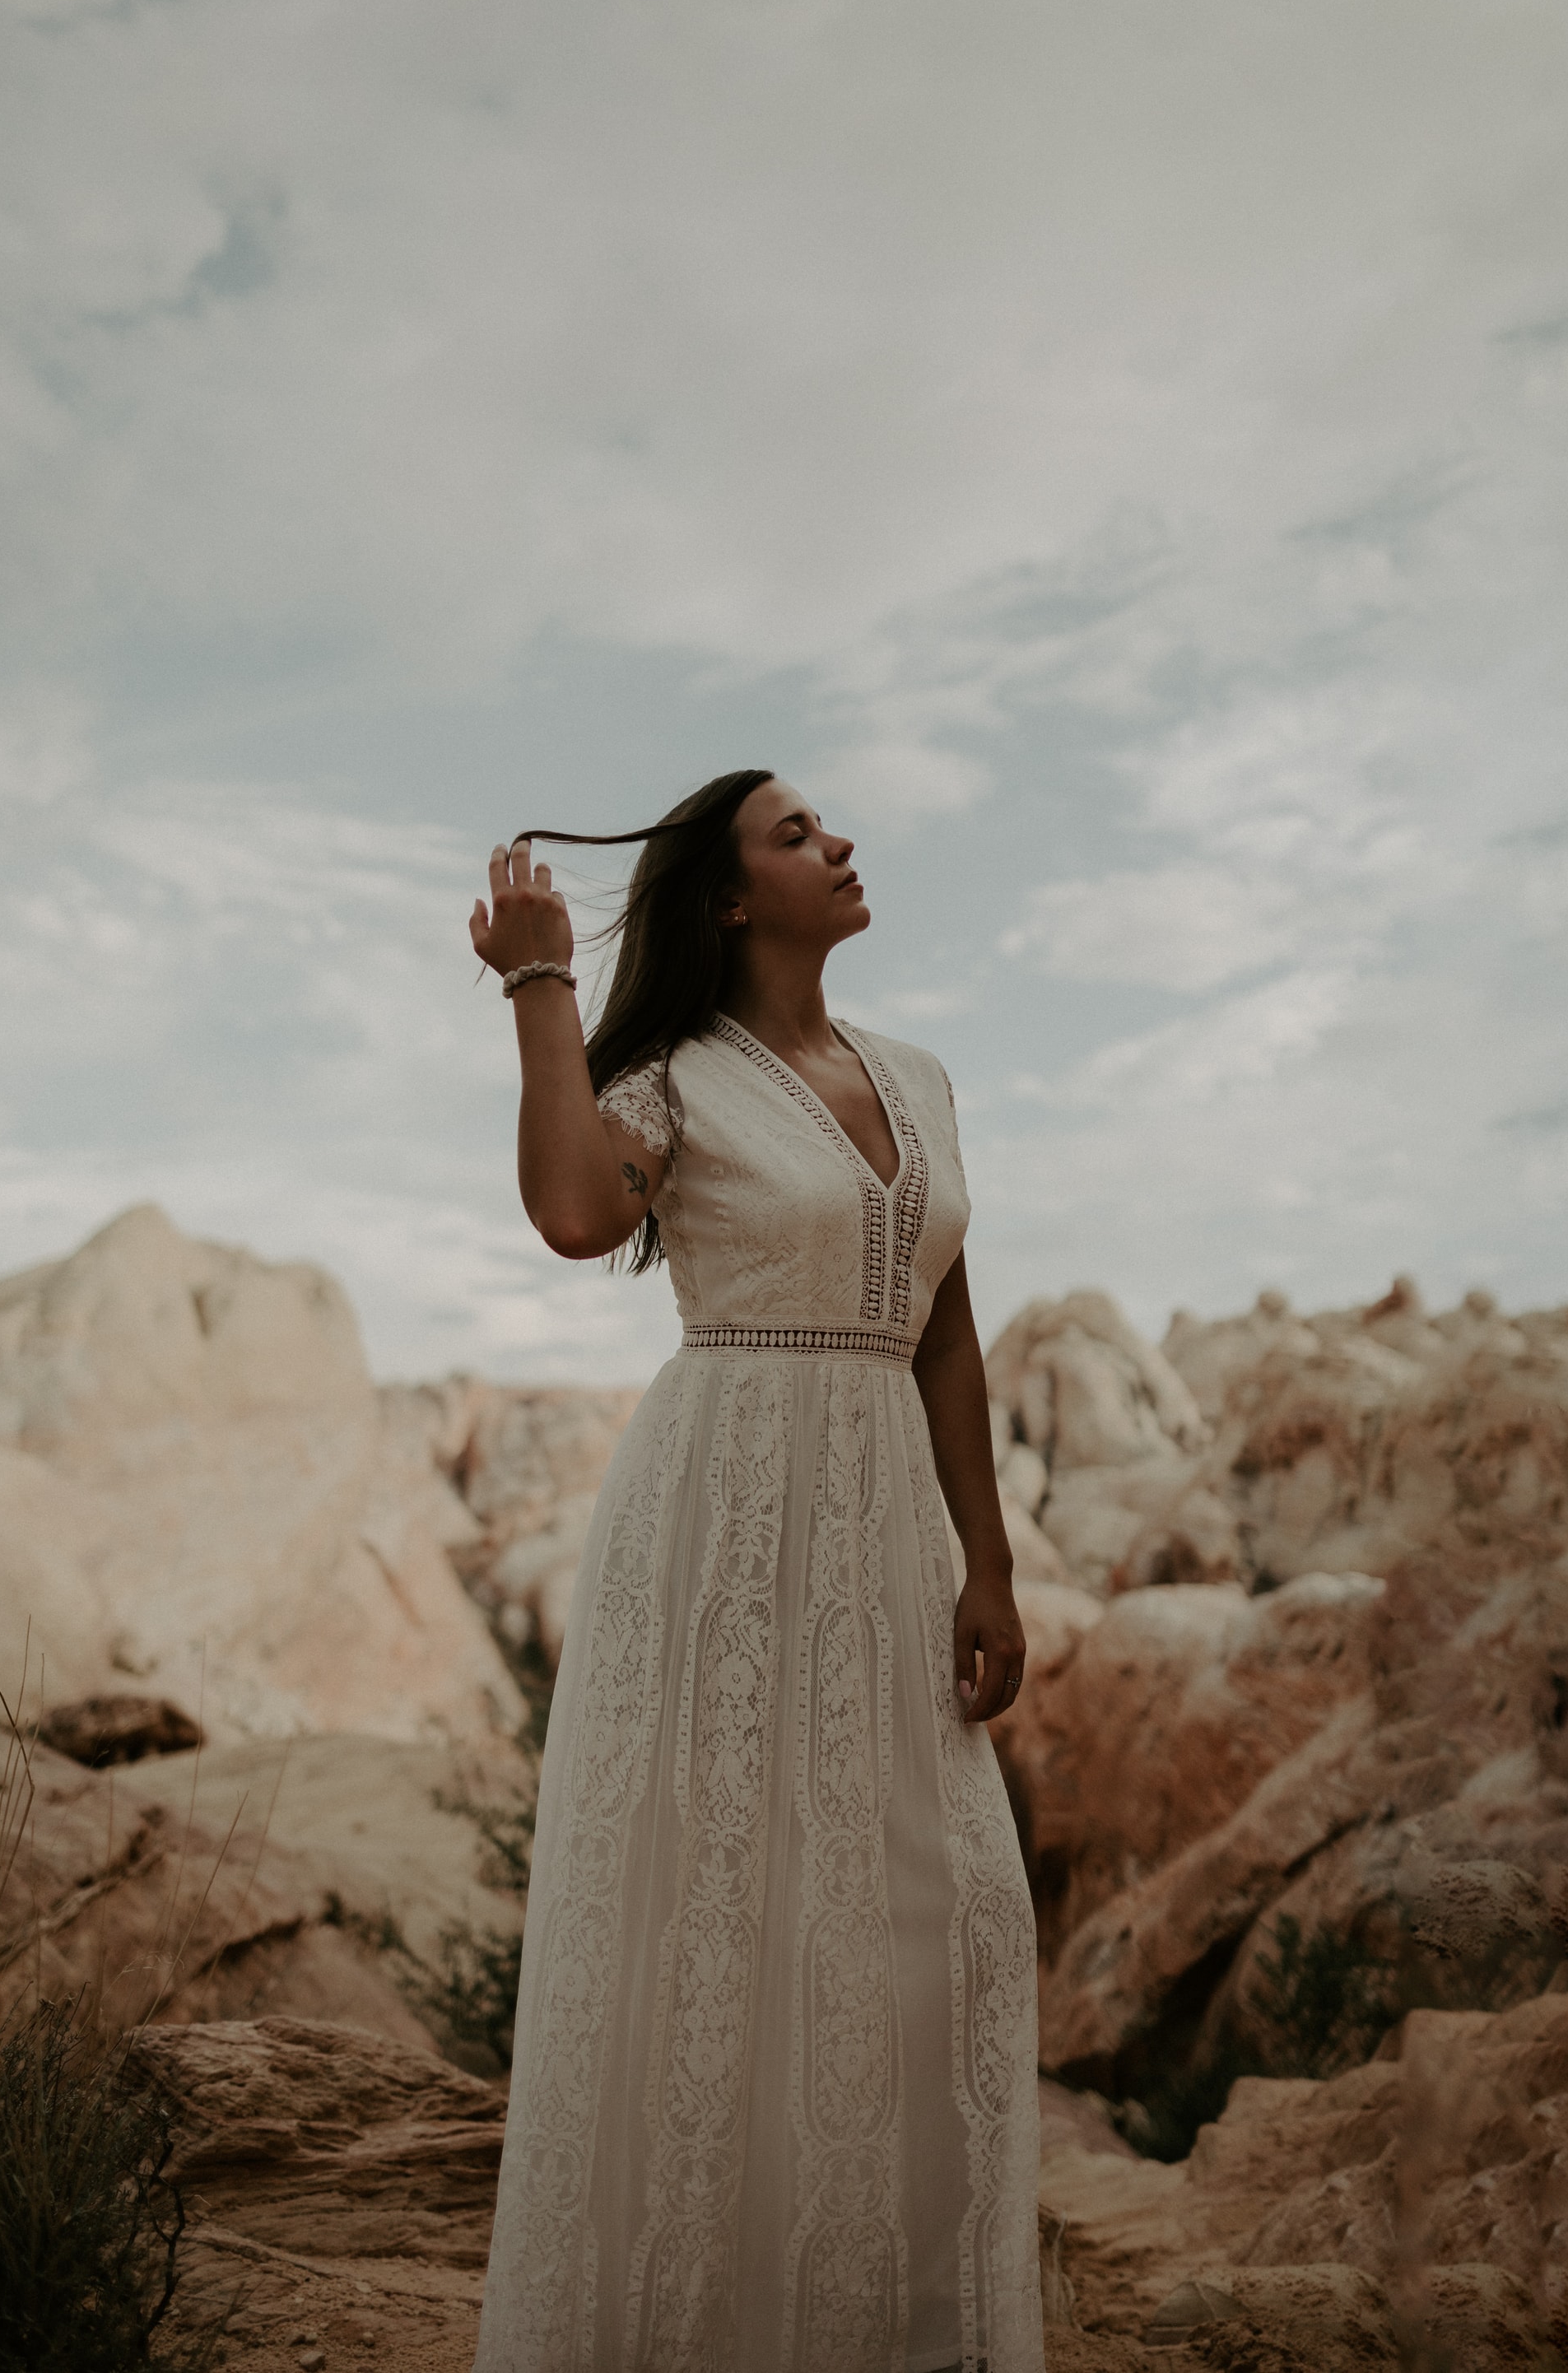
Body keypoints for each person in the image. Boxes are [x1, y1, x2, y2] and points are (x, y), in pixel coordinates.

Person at [468, 769, 1044, 2373]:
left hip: (883, 1522)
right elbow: (578, 1211)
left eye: (825, 827)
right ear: (728, 901)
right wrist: (538, 984)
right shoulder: (670, 1080)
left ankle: (898, 2327)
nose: (840, 843)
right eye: (796, 835)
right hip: (721, 1516)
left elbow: (940, 1326)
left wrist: (987, 1565)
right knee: (723, 1911)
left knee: (957, 1917)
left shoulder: (917, 1077)